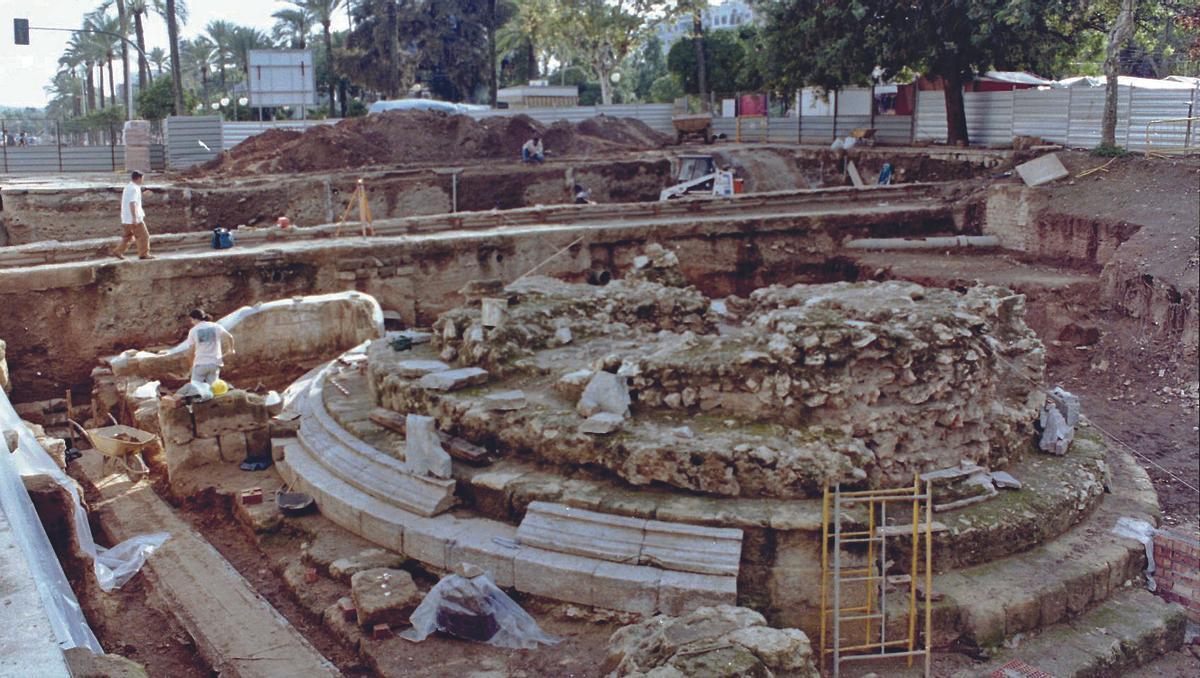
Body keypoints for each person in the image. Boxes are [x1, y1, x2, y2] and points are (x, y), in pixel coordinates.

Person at [184, 309, 235, 386]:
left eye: (191, 320)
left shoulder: (193, 331)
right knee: (212, 388)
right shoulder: (215, 326)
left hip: (200, 363)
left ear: (195, 319)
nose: (192, 322)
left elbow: (190, 352)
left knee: (196, 388)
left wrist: (192, 366)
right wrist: (231, 349)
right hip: (215, 363)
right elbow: (230, 337)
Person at [113, 170, 153, 259]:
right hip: (134, 218)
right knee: (144, 236)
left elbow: (131, 199)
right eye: (142, 178)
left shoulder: (128, 187)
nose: (142, 180)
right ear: (139, 178)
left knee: (128, 237)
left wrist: (142, 194)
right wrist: (134, 218)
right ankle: (144, 254)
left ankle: (118, 251)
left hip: (125, 218)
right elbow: (132, 203)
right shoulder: (134, 188)